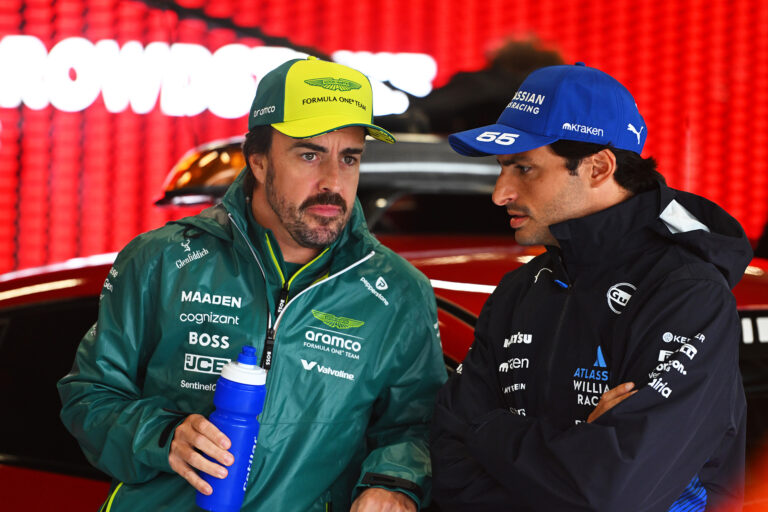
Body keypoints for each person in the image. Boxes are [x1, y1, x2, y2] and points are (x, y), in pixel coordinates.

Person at [58, 56, 446, 511]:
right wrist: (164, 436)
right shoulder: (162, 260)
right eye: (309, 154)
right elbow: (88, 397)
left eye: (349, 158)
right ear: (258, 161)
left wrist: (393, 483)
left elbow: (416, 425)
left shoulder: (397, 292)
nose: (332, 181)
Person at [430, 63, 751, 511]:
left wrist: (487, 430)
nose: (500, 193)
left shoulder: (687, 293)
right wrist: (576, 446)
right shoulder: (519, 289)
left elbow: (612, 492)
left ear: (598, 167)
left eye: (524, 168)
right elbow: (447, 464)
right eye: (502, 168)